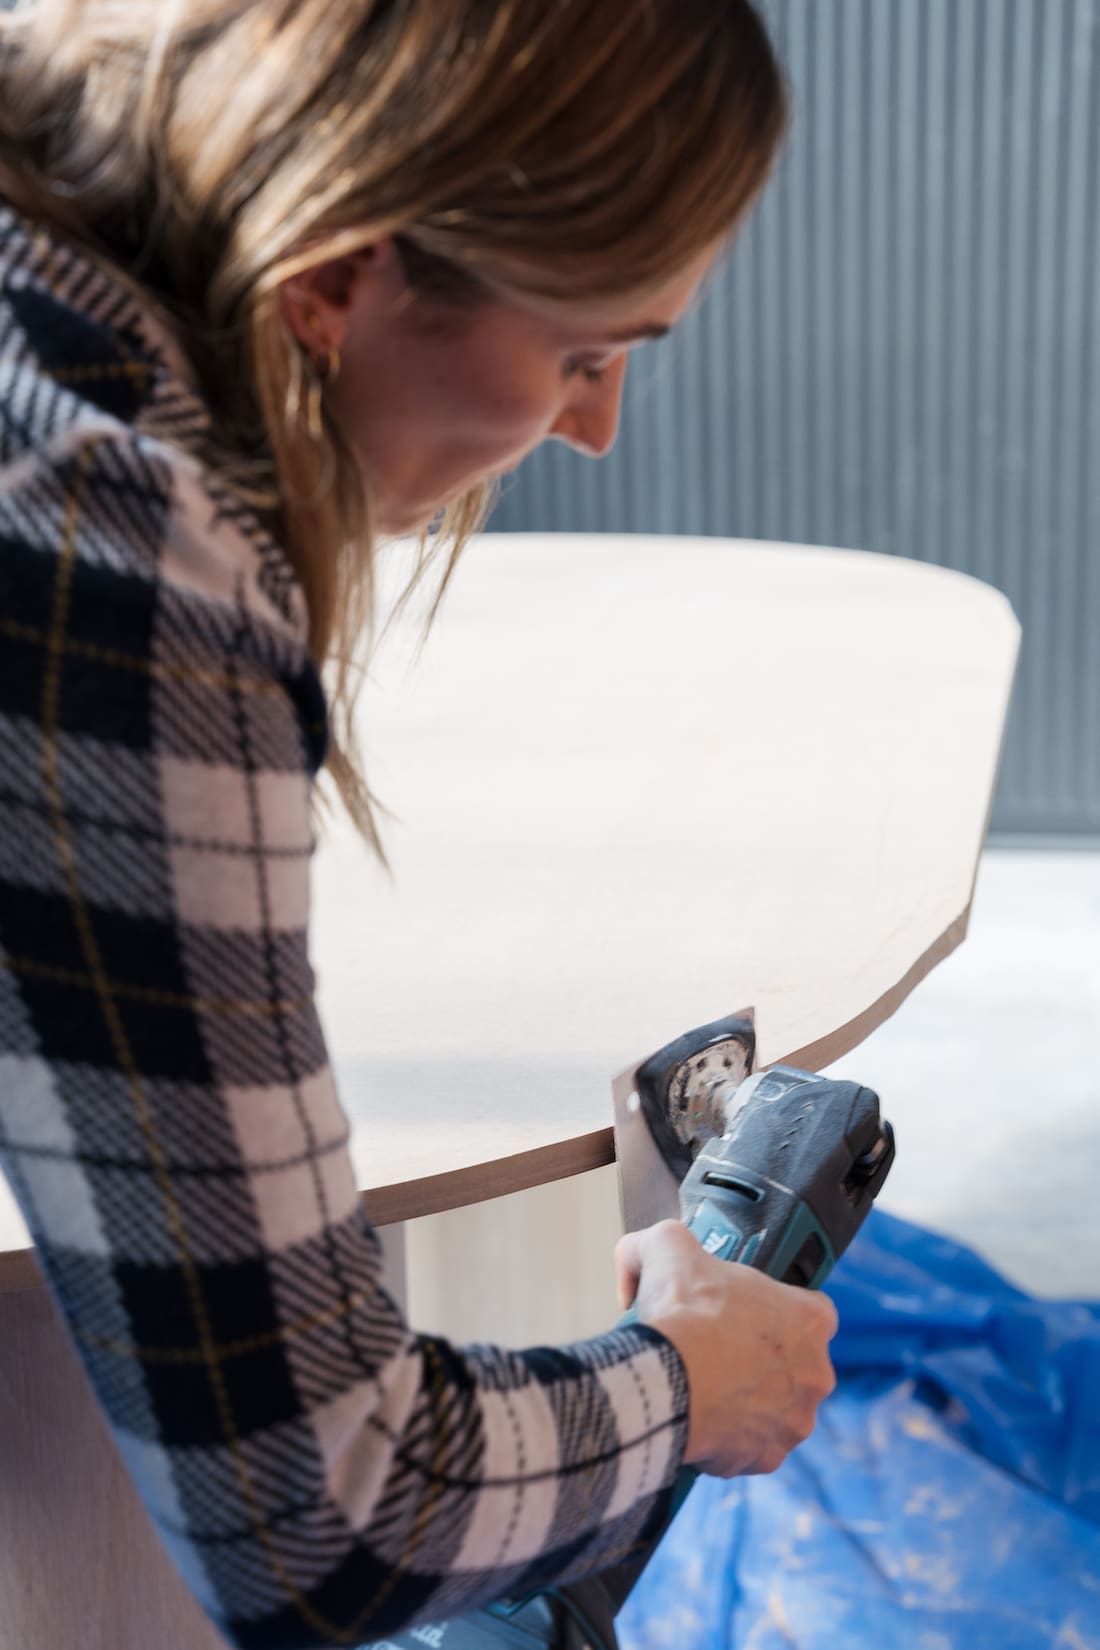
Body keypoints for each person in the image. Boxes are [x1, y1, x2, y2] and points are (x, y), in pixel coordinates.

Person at [0, 2, 838, 1644]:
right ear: (336, 269)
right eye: (586, 351)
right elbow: (325, 1512)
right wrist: (687, 1382)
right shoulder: (111, 560)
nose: (592, 426)